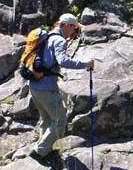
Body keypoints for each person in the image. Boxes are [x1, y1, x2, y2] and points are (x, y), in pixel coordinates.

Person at [28, 13, 94, 161]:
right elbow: (63, 61)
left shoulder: (47, 37)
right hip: (46, 87)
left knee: (46, 118)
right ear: (67, 25)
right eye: (74, 28)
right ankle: (40, 152)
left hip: (34, 84)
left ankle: (44, 148)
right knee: (60, 120)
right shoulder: (58, 40)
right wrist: (85, 64)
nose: (74, 32)